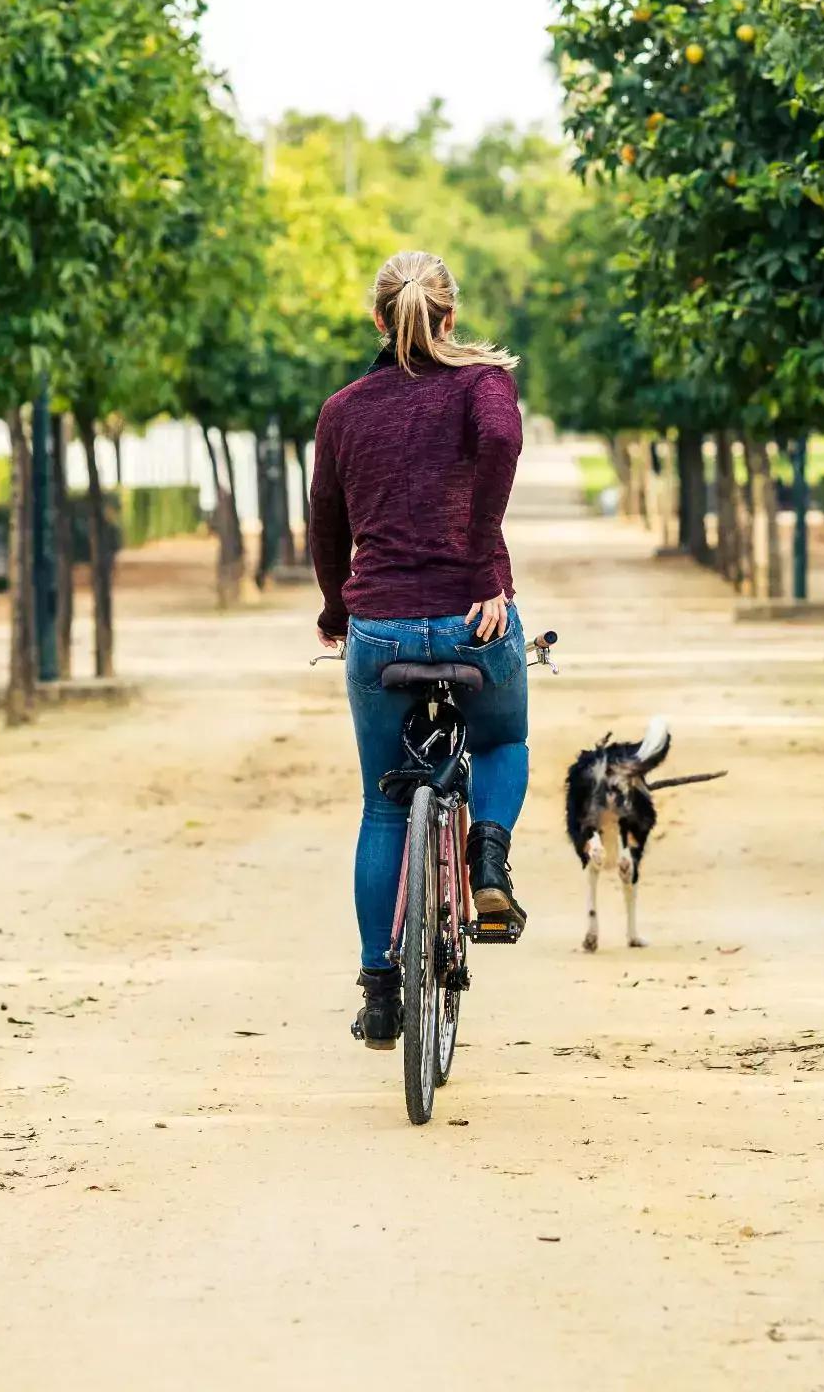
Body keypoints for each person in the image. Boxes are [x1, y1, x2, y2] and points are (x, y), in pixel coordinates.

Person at [309, 250, 530, 1050]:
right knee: (504, 737)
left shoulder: (343, 409)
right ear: (451, 316)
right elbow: (501, 442)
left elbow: (326, 528)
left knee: (384, 803)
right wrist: (482, 564)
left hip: (382, 628)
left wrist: (338, 611)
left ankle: (377, 987)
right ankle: (491, 860)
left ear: (377, 318)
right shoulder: (483, 384)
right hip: (476, 621)